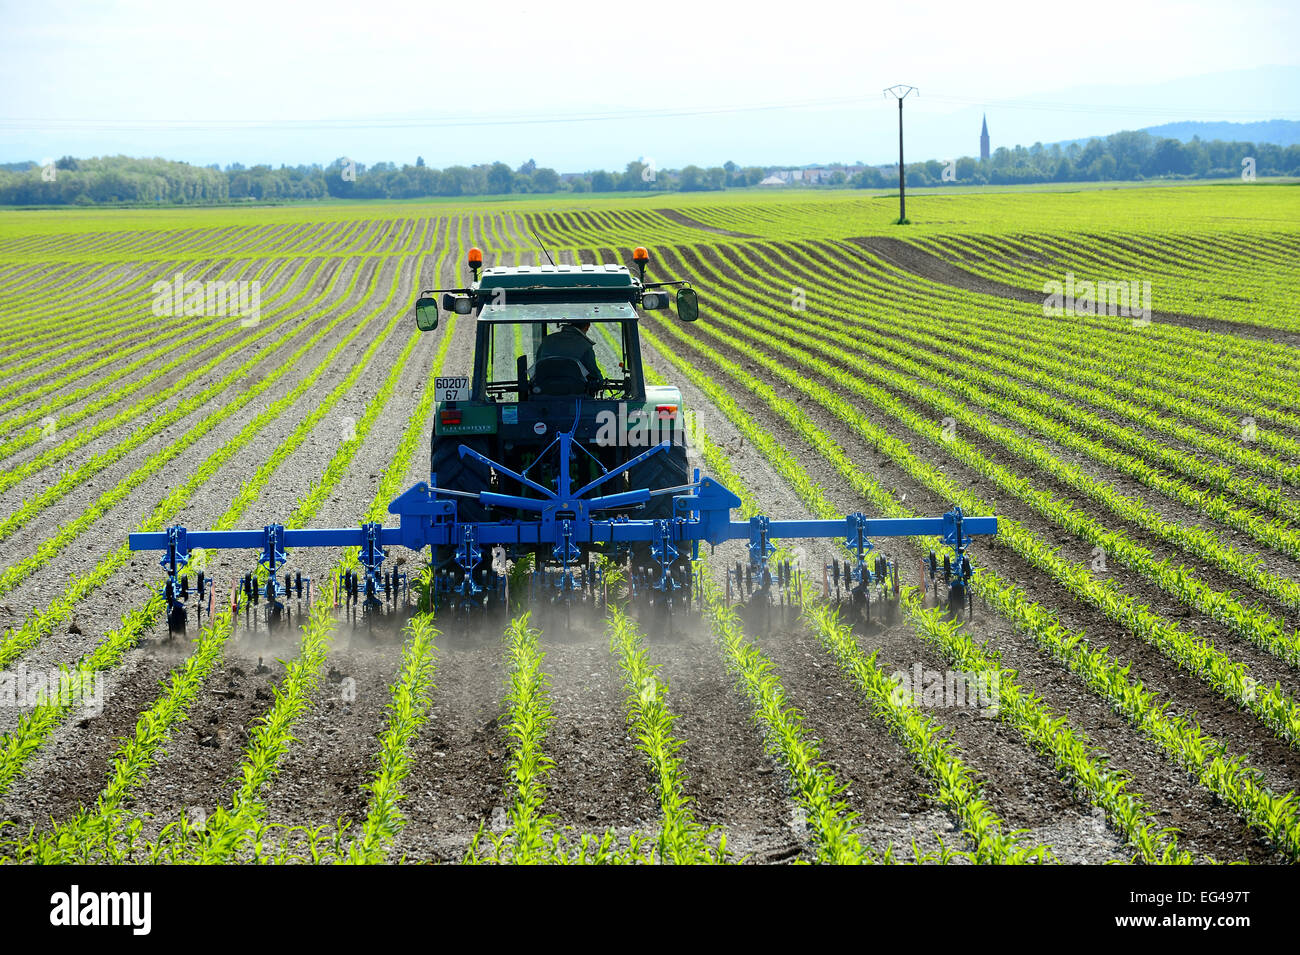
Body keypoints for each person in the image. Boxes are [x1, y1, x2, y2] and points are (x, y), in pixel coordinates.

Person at [534, 320, 602, 385]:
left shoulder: (547, 340)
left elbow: (538, 364)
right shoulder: (585, 345)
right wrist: (600, 381)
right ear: (587, 326)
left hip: (544, 388)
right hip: (575, 391)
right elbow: (593, 372)